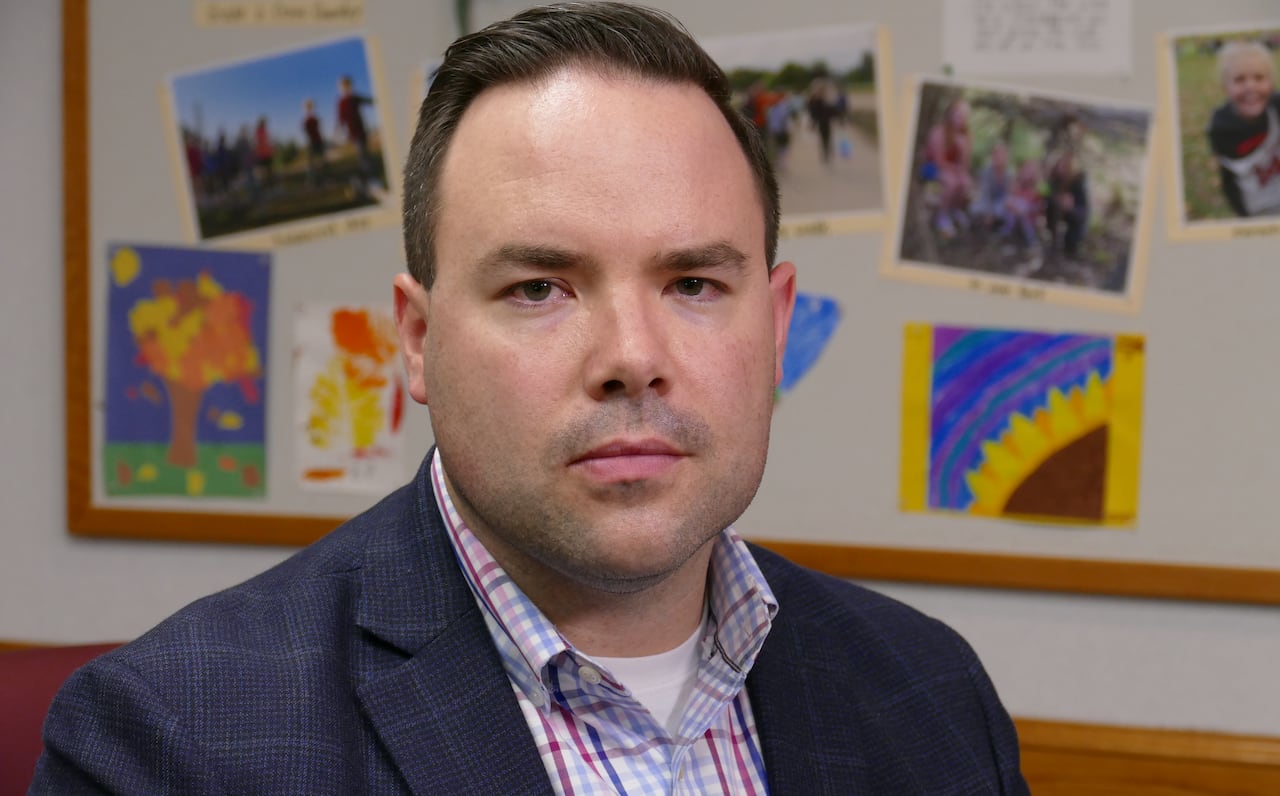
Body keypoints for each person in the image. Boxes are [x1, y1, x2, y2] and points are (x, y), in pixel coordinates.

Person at [33, 4, 1028, 793]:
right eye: (539, 288)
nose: (632, 357)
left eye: (691, 284)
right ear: (418, 343)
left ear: (771, 327)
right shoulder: (169, 743)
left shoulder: (930, 694)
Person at [1205, 40, 1280, 217]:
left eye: (1259, 78)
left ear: (1271, 83)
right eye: (1239, 79)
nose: (1250, 86)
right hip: (1260, 210)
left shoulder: (1276, 107)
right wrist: (1243, 216)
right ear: (1226, 87)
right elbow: (1228, 178)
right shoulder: (1221, 129)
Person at [922, 97, 975, 238]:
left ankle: (954, 210)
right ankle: (942, 216)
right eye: (958, 114)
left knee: (965, 183)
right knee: (952, 183)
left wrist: (964, 148)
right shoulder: (939, 132)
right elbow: (938, 161)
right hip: (932, 168)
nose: (961, 118)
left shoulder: (966, 135)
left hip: (953, 169)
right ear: (951, 114)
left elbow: (964, 164)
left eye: (964, 115)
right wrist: (956, 171)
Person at [1045, 146, 1089, 258]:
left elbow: (1083, 212)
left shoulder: (1078, 183)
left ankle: (1072, 246)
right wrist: (1056, 199)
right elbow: (1047, 197)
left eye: (1065, 166)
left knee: (1072, 242)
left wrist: (1071, 207)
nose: (1061, 169)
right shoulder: (1054, 179)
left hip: (1075, 215)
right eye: (1059, 165)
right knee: (1051, 208)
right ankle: (1053, 240)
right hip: (1057, 211)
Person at [335, 74, 376, 191]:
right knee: (362, 155)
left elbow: (369, 101)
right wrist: (338, 131)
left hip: (362, 130)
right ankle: (368, 177)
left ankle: (369, 176)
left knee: (365, 154)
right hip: (353, 133)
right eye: (344, 86)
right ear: (340, 88)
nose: (346, 88)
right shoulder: (341, 102)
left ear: (351, 86)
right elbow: (340, 118)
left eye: (348, 86)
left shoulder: (355, 98)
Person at [301, 98, 327, 185]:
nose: (310, 109)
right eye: (308, 107)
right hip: (311, 143)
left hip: (318, 141)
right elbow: (306, 132)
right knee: (311, 164)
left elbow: (319, 130)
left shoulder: (315, 119)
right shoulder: (306, 121)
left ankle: (323, 178)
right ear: (305, 108)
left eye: (311, 107)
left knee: (321, 161)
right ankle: (311, 180)